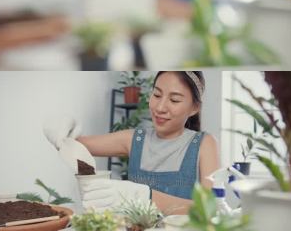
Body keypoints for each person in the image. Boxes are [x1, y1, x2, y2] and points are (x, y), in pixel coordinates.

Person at [44, 71, 219, 214]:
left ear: (194, 108)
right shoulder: (135, 139)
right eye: (157, 94)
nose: (160, 107)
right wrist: (62, 129)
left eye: (174, 100)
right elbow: (75, 144)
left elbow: (210, 209)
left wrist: (145, 197)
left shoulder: (204, 144)